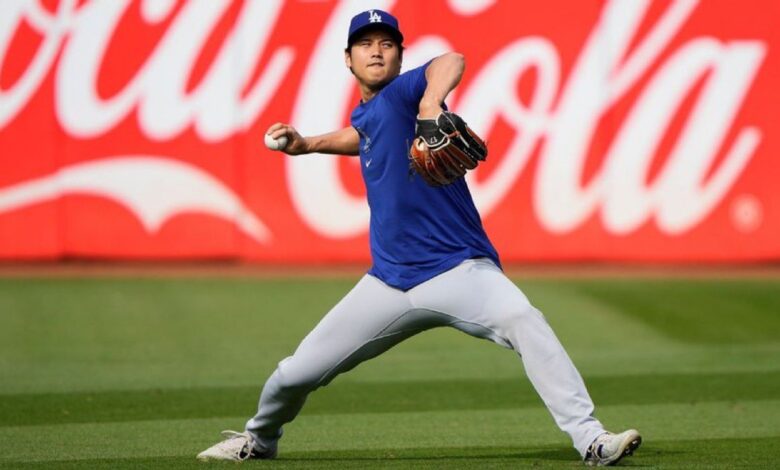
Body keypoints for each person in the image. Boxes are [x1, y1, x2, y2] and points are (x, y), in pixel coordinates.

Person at [197, 9, 641, 467]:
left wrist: (431, 104)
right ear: (347, 59)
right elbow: (363, 134)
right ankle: (259, 439)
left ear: (399, 56)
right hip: (387, 284)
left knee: (524, 319)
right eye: (365, 43)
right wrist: (308, 144)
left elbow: (451, 59)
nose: (376, 50)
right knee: (294, 373)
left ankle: (590, 438)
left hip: (460, 271)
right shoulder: (371, 113)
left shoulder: (406, 93)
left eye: (386, 43)